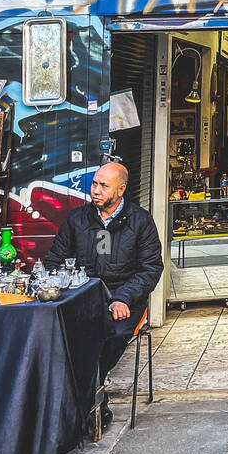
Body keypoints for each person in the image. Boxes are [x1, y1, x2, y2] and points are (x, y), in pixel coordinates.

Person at [44, 161, 162, 430]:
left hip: (124, 298)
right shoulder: (77, 220)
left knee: (112, 335)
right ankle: (92, 401)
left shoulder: (140, 222)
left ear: (120, 190)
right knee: (61, 335)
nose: (95, 190)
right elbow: (54, 261)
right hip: (82, 297)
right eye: (94, 183)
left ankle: (87, 403)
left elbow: (151, 269)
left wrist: (123, 297)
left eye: (103, 185)